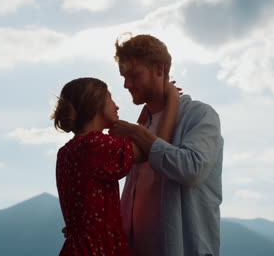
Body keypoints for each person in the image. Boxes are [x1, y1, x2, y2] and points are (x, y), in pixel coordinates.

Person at [109, 34, 224, 256]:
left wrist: (137, 132)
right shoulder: (144, 122)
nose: (126, 85)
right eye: (124, 77)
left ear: (160, 70)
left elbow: (192, 170)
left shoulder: (200, 115)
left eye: (134, 75)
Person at [52, 77, 179, 256]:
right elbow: (156, 149)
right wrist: (173, 99)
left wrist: (143, 116)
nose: (117, 106)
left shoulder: (67, 151)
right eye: (110, 99)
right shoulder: (96, 145)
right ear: (96, 104)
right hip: (99, 249)